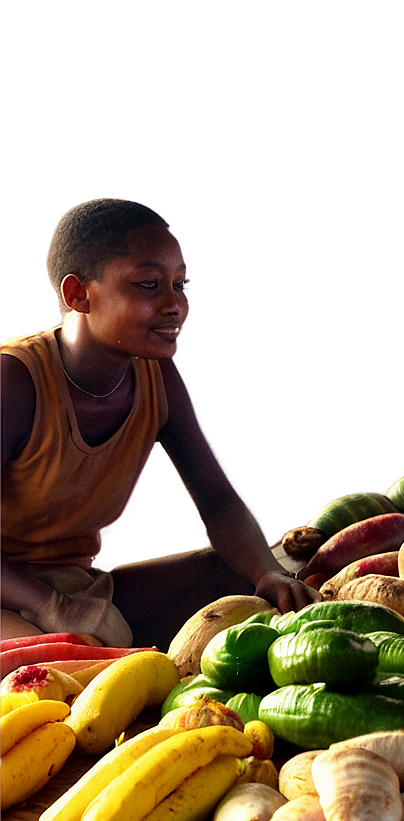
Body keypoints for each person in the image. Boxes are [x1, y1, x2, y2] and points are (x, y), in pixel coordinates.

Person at [1, 198, 314, 650]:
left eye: (181, 284)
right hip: (15, 598)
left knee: (244, 578)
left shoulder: (156, 378)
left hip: (74, 587)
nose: (175, 305)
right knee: (54, 665)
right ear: (78, 295)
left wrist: (267, 573)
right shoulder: (15, 381)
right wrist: (51, 608)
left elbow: (218, 501)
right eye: (149, 284)